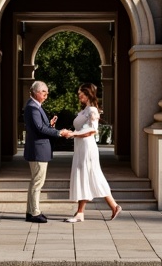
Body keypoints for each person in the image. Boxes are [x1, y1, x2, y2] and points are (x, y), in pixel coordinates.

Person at [65, 83, 121, 222]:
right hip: (81, 147)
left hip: (87, 148)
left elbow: (92, 130)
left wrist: (72, 134)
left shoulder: (92, 110)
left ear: (87, 93)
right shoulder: (85, 110)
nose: (78, 96)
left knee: (88, 176)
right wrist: (72, 133)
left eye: (80, 93)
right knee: (91, 177)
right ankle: (113, 206)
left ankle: (80, 213)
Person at [23, 80, 71, 223]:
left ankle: (31, 211)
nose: (46, 95)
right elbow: (39, 129)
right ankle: (34, 213)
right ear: (36, 92)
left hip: (39, 148)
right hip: (38, 150)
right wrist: (58, 132)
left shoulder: (36, 106)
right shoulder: (32, 107)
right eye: (44, 92)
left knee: (36, 182)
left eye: (47, 92)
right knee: (37, 182)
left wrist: (50, 125)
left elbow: (41, 126)